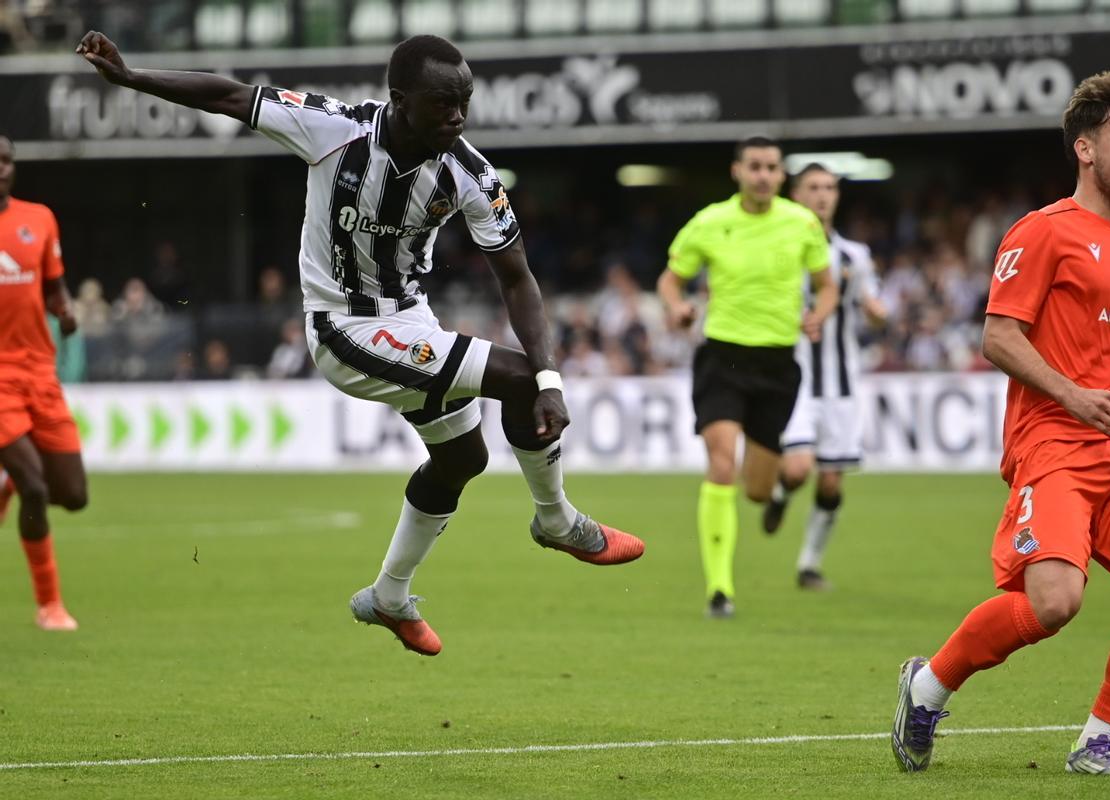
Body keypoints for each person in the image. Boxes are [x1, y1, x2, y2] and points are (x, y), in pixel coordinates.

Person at [77, 32, 644, 656]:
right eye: (442, 104)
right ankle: (557, 520)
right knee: (515, 378)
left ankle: (389, 597)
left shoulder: (469, 175)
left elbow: (518, 278)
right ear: (400, 100)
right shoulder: (332, 128)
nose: (457, 116)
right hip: (342, 329)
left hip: (411, 322)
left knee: (463, 461)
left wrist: (554, 379)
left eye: (466, 103)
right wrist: (132, 79)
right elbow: (231, 96)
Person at [892, 71, 1110, 777]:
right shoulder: (1043, 232)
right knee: (1054, 603)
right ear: (1086, 150)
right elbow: (998, 336)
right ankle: (928, 686)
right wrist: (1072, 395)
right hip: (1057, 445)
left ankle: (1097, 740)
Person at [657, 136, 836, 618]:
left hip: (778, 365)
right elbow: (671, 279)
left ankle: (775, 491)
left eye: (771, 167)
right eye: (754, 166)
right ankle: (720, 589)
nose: (762, 175)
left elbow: (826, 285)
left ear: (781, 176)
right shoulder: (710, 222)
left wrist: (819, 313)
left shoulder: (801, 224)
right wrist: (677, 307)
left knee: (755, 488)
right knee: (720, 464)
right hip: (723, 359)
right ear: (737, 171)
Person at [761, 164, 888, 590]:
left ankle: (809, 565)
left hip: (841, 382)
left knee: (831, 480)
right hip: (794, 377)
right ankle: (780, 492)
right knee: (797, 469)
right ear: (796, 194)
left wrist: (876, 314)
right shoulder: (777, 248)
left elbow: (873, 312)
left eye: (830, 188)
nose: (823, 195)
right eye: (813, 187)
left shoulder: (855, 256)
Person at [0, 135, 87, 631]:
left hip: (39, 371)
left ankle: (11, 476)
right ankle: (50, 605)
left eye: (8, 161)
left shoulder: (39, 219)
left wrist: (64, 308)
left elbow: (52, 283)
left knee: (72, 495)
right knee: (37, 488)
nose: (2, 169)